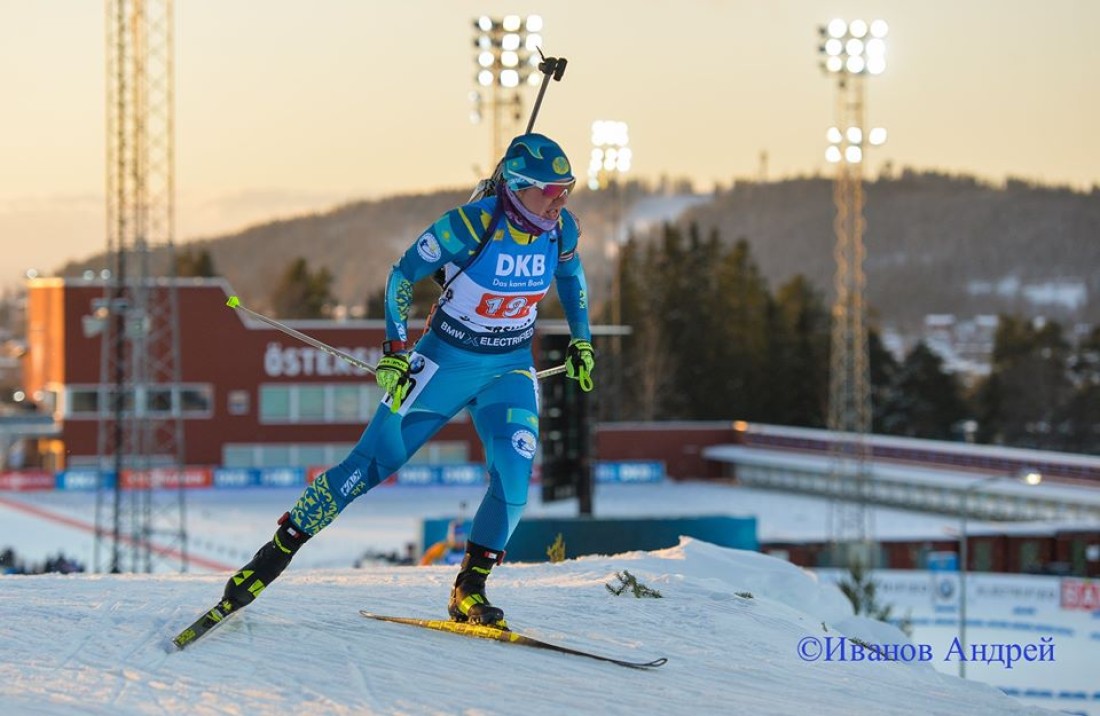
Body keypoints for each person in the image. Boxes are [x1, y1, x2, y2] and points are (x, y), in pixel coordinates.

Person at [216, 133, 594, 629]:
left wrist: (581, 340)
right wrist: (395, 350)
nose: (560, 201)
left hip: (509, 367)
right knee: (373, 464)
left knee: (515, 475)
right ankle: (273, 555)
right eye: (550, 191)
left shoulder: (561, 230)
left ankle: (470, 589)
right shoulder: (468, 225)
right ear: (518, 187)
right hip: (445, 361)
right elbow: (401, 276)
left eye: (567, 188)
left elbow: (571, 278)